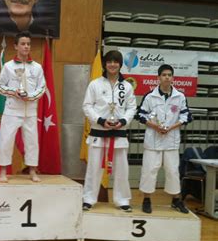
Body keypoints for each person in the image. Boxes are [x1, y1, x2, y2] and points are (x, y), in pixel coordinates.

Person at [82, 50, 136, 212]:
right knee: (93, 168)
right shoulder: (95, 84)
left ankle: (122, 200)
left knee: (122, 169)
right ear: (105, 64)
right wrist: (99, 120)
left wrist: (123, 121)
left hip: (119, 132)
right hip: (98, 132)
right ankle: (89, 199)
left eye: (116, 61)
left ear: (120, 64)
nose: (112, 64)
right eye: (109, 61)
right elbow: (87, 106)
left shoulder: (126, 86)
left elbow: (132, 107)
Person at [136, 64, 192, 214]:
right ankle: (146, 199)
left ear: (173, 78)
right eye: (164, 75)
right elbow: (140, 116)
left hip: (171, 141)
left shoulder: (180, 96)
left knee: (173, 171)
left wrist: (171, 127)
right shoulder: (150, 96)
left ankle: (176, 200)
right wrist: (155, 127)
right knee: (149, 170)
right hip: (153, 140)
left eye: (169, 75)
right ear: (158, 78)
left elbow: (186, 116)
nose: (167, 77)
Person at [0, 31, 46, 183]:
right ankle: (3, 171)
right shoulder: (8, 66)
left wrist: (31, 96)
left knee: (32, 142)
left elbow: (42, 87)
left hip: (30, 111)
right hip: (12, 110)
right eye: (23, 44)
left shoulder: (37, 67)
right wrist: (13, 92)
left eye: (28, 44)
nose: (26, 47)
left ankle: (32, 170)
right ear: (16, 46)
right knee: (6, 140)